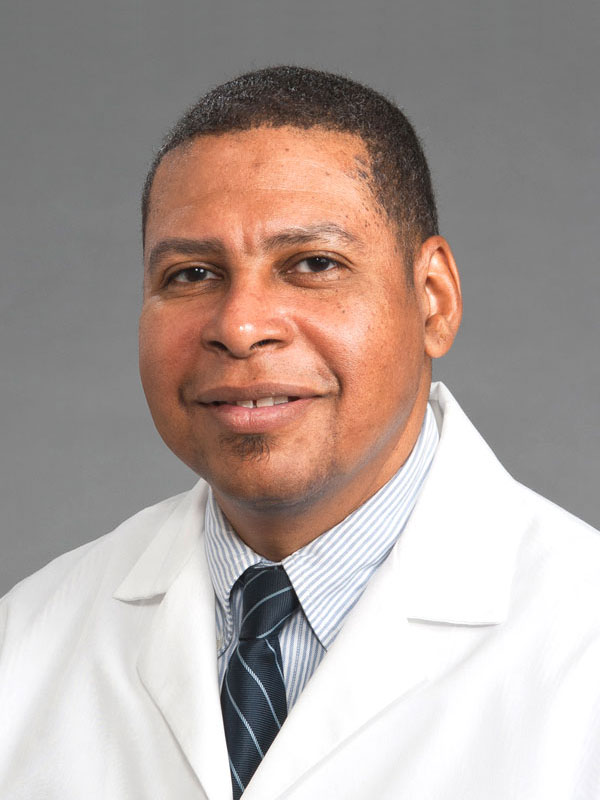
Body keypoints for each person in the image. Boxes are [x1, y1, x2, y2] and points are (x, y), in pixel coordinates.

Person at [1, 66, 599, 800]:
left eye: (313, 264)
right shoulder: (24, 644)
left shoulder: (582, 643)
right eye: (192, 274)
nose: (240, 326)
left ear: (433, 300)